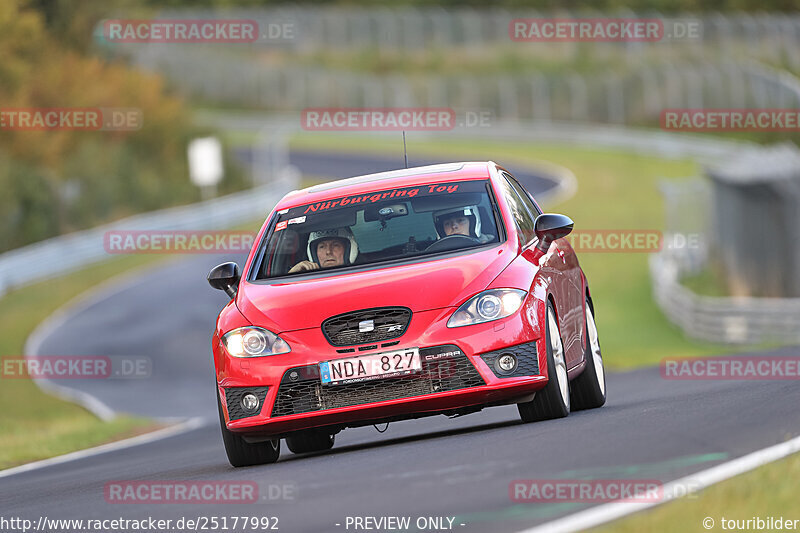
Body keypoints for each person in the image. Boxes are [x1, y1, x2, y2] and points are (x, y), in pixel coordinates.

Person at [288, 227, 359, 273]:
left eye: (335, 245)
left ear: (349, 249)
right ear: (313, 253)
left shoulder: (362, 276)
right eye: (322, 247)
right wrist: (292, 274)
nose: (328, 252)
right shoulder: (306, 282)